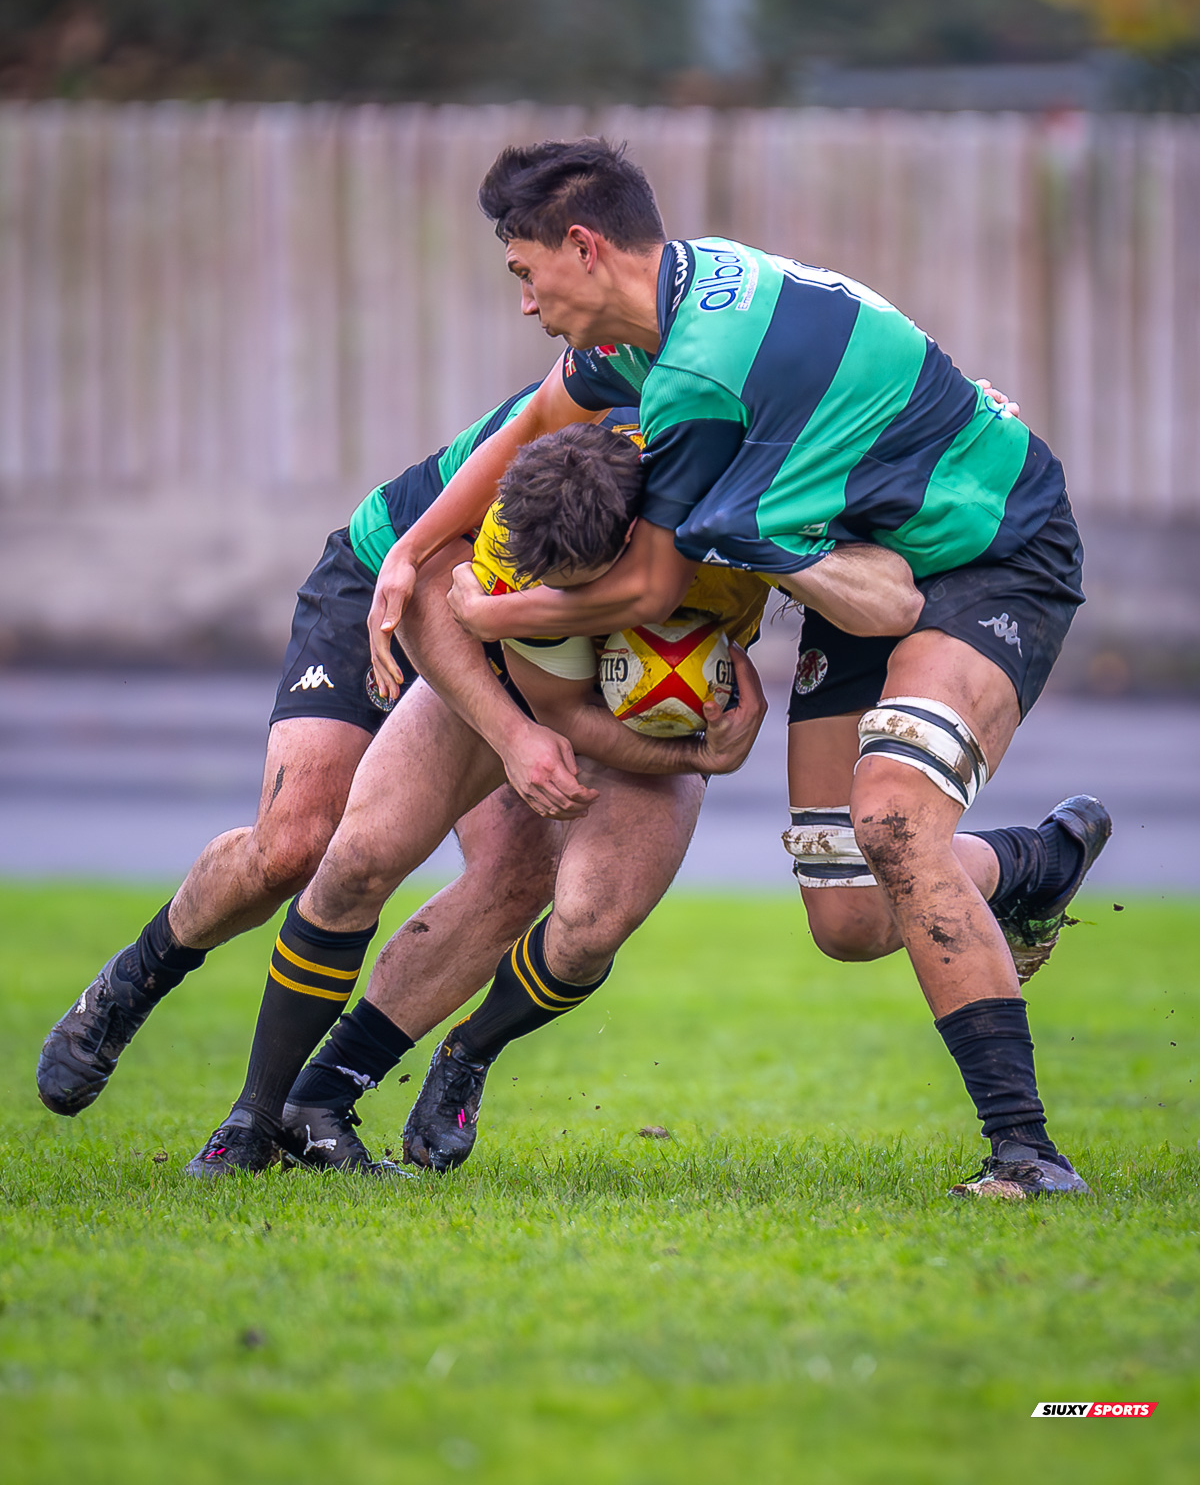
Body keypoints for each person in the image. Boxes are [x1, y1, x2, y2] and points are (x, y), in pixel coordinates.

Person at [363, 137, 1106, 1200]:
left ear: (583, 247)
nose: (526, 302)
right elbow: (537, 416)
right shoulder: (651, 321)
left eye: (526, 272)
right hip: (851, 570)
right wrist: (410, 547)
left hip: (989, 551)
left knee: (896, 823)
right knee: (849, 916)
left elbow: (651, 593)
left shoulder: (703, 375)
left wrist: (493, 605)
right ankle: (1029, 867)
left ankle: (1027, 1155)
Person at [182, 423, 778, 1176]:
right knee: (358, 858)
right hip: (519, 675)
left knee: (592, 923)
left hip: (657, 710)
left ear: (633, 534)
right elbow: (559, 706)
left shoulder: (742, 504)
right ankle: (256, 1115)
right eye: (546, 585)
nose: (556, 594)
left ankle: (450, 1056)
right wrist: (688, 753)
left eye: (574, 582)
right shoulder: (516, 525)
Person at [35, 384, 599, 1123]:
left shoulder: (686, 419)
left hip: (501, 624)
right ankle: (136, 977)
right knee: (292, 846)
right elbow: (436, 577)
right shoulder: (592, 385)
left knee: (521, 870)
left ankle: (324, 1094)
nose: (531, 307)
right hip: (390, 574)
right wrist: (517, 734)